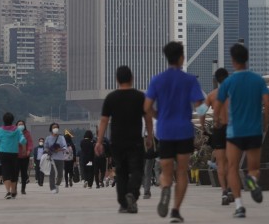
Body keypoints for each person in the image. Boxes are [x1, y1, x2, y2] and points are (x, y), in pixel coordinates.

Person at [145, 41, 205, 224]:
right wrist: (203, 122)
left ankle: (165, 188)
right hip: (184, 131)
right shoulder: (189, 80)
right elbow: (200, 107)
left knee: (166, 170)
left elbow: (146, 107)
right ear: (181, 58)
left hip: (165, 131)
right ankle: (176, 210)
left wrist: (158, 116)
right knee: (181, 172)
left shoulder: (157, 79)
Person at [214, 43, 269, 219]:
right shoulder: (258, 79)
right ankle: (252, 181)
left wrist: (216, 120)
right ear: (246, 59)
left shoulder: (228, 82)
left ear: (233, 60)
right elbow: (268, 103)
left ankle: (239, 206)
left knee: (232, 167)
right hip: (254, 130)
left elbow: (217, 106)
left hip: (234, 132)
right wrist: (266, 123)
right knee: (253, 168)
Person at [98, 64, 152, 214]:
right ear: (132, 78)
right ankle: (132, 194)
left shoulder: (111, 98)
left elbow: (103, 121)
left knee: (121, 172)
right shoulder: (140, 96)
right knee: (137, 170)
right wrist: (150, 136)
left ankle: (123, 203)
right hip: (135, 141)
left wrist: (99, 141)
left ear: (117, 80)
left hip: (117, 142)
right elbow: (148, 118)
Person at [202, 68, 231, 206]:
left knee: (220, 162)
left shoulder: (212, 95)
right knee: (232, 162)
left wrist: (202, 127)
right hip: (233, 128)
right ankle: (231, 189)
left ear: (217, 80)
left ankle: (224, 191)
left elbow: (201, 111)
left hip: (219, 130)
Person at [0, 111, 27, 199]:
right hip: (14, 153)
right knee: (14, 172)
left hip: (3, 153)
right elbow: (23, 140)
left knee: (5, 171)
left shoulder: (0, 130)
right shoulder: (17, 130)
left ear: (4, 120)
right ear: (12, 120)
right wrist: (24, 149)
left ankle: (8, 192)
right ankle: (13, 190)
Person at [44, 121, 68, 193]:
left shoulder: (61, 137)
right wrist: (49, 150)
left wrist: (58, 149)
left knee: (60, 174)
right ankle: (52, 188)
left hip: (60, 158)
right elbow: (45, 147)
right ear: (51, 129)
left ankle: (57, 184)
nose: (55, 128)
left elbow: (65, 147)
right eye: (54, 127)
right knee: (52, 174)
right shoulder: (48, 138)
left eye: (57, 127)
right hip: (52, 158)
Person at [16, 118, 33, 195]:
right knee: (15, 173)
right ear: (16, 126)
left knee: (24, 173)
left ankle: (23, 188)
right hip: (16, 156)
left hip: (25, 156)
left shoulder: (27, 133)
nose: (21, 125)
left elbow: (30, 143)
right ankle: (14, 188)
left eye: (22, 124)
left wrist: (29, 150)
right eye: (19, 124)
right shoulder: (14, 133)